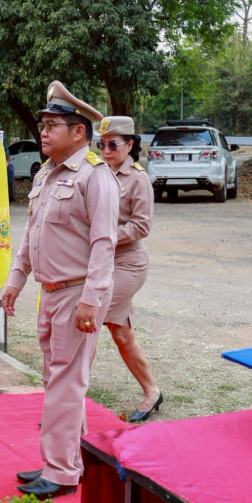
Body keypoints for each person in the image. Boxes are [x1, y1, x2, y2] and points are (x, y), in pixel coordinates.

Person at [0, 81, 118, 499]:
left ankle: (62, 471)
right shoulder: (49, 175)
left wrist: (91, 298)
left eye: (53, 125)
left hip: (77, 293)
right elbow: (33, 233)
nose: (43, 132)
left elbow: (105, 243)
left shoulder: (96, 177)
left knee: (66, 382)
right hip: (50, 292)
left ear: (79, 132)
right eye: (42, 124)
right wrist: (16, 281)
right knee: (58, 379)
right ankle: (70, 460)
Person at [94, 115, 162, 422]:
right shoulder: (98, 173)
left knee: (90, 319)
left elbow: (142, 225)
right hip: (100, 262)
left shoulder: (137, 178)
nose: (106, 151)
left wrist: (105, 238)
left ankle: (66, 399)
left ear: (130, 145)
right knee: (120, 333)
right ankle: (152, 391)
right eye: (101, 145)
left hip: (128, 263)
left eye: (113, 145)